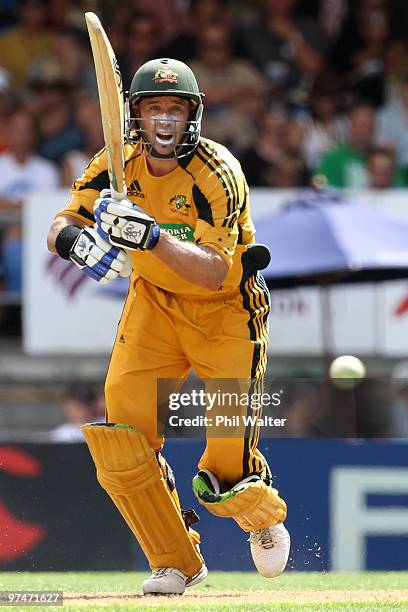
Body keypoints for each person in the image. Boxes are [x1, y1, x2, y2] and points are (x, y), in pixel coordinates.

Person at [46, 58, 290, 596]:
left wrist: (151, 238)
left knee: (225, 465)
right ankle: (176, 560)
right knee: (121, 440)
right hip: (153, 304)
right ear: (135, 114)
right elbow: (62, 221)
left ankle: (259, 513)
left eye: (174, 109)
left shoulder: (217, 172)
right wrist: (78, 244)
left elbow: (211, 272)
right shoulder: (118, 159)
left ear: (193, 115)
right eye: (153, 108)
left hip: (227, 313)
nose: (163, 120)